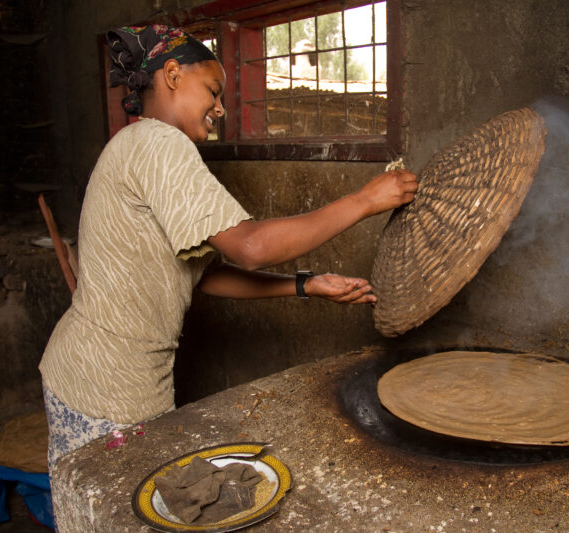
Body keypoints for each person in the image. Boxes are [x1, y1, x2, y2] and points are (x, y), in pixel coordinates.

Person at [38, 25, 417, 469]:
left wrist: (305, 285)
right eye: (213, 91)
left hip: (89, 376)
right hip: (106, 389)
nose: (220, 107)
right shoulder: (158, 143)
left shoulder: (137, 146)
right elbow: (251, 246)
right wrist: (365, 200)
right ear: (173, 74)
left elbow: (207, 276)